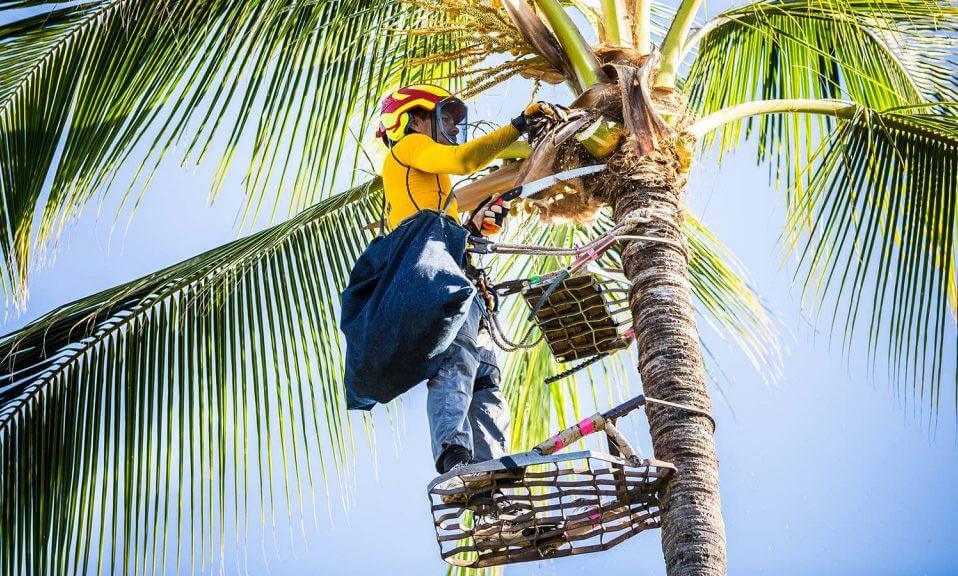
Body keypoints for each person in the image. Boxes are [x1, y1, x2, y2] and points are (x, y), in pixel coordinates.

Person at [372, 84, 554, 476]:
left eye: (456, 121)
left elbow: (454, 232)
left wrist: (476, 226)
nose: (454, 128)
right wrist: (520, 125)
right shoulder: (406, 147)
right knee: (455, 359)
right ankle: (455, 454)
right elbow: (466, 158)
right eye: (445, 118)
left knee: (485, 378)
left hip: (461, 282)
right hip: (433, 279)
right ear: (414, 119)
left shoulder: (440, 199)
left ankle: (492, 472)